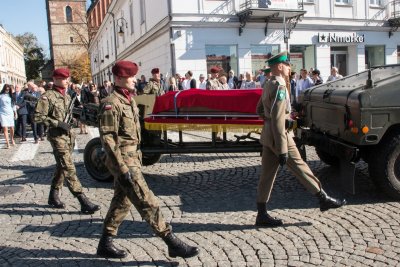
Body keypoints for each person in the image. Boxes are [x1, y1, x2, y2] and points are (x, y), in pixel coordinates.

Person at [96, 60, 199, 259]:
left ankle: (105, 244)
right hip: (124, 161)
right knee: (147, 200)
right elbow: (108, 140)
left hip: (133, 157)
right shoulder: (111, 103)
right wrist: (122, 168)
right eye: (130, 77)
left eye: (134, 76)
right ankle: (171, 241)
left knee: (122, 201)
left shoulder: (129, 100)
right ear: (119, 79)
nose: (134, 80)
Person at [255, 51, 346, 227]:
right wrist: (282, 148)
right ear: (280, 66)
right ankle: (323, 198)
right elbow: (278, 119)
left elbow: (260, 110)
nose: (290, 68)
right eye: (288, 65)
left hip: (268, 136)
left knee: (266, 176)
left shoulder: (268, 83)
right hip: (281, 138)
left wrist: (272, 119)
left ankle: (262, 214)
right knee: (301, 167)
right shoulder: (279, 85)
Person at [34, 68, 100, 214]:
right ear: (56, 79)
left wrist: (77, 116)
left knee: (61, 166)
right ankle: (83, 200)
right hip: (57, 137)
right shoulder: (48, 96)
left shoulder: (68, 96)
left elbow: (70, 113)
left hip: (69, 136)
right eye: (64, 79)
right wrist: (58, 123)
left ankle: (53, 195)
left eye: (68, 78)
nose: (67, 81)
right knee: (69, 168)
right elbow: (37, 117)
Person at [0, 84, 16, 148]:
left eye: (8, 89)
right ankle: (7, 143)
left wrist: (15, 113)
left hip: (10, 112)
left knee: (12, 128)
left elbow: (13, 105)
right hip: (2, 113)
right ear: (4, 89)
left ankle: (12, 139)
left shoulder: (11, 96)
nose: (7, 90)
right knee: (5, 128)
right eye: (6, 88)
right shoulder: (1, 96)